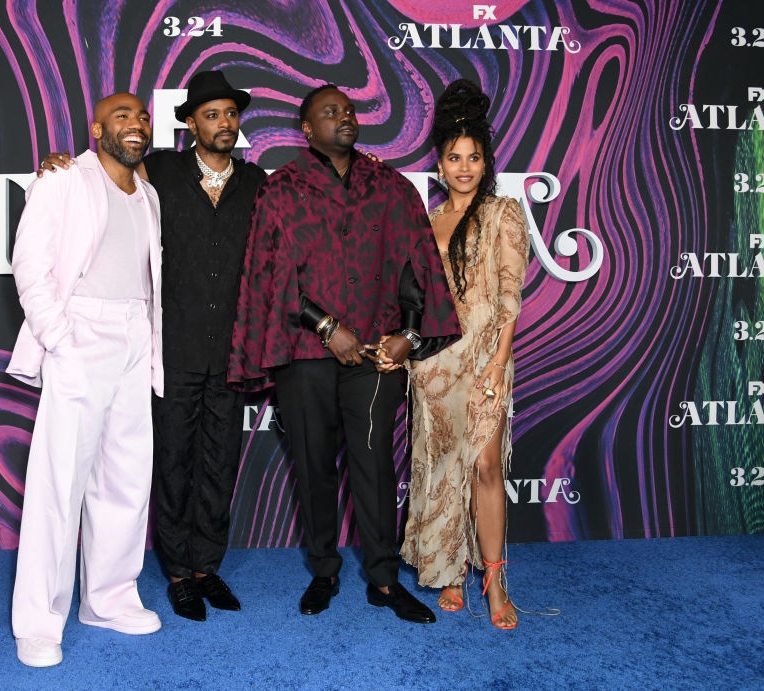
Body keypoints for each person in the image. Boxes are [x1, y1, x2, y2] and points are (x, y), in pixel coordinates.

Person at [227, 84, 461, 623]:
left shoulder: (390, 186)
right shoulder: (281, 190)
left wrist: (408, 333)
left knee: (374, 464)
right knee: (313, 466)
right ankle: (324, 571)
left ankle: (384, 580)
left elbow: (415, 267)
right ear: (308, 129)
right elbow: (269, 275)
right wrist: (327, 326)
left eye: (349, 109)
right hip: (305, 354)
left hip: (375, 354)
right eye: (331, 112)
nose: (345, 117)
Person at [39, 70, 266, 622]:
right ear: (190, 124)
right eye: (211, 115)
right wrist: (58, 163)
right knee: (172, 463)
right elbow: (105, 169)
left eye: (230, 114)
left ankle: (207, 567)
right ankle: (179, 575)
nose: (223, 123)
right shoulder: (158, 170)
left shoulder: (258, 182)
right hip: (170, 349)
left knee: (220, 463)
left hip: (231, 350)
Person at [6, 92, 163, 668]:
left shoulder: (148, 193)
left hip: (135, 334)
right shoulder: (64, 179)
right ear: (97, 129)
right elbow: (30, 262)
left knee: (126, 476)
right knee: (59, 483)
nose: (136, 123)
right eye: (122, 116)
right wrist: (59, 336)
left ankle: (109, 600)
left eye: (142, 116)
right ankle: (38, 623)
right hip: (81, 334)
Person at [399, 79, 530, 630]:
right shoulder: (428, 223)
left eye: (474, 157)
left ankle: (495, 580)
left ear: (486, 162)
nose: (464, 167)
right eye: (455, 158)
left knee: (484, 465)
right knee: (444, 466)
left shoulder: (503, 213)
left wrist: (498, 362)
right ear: (440, 165)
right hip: (436, 365)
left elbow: (509, 295)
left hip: (484, 360)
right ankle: (450, 568)